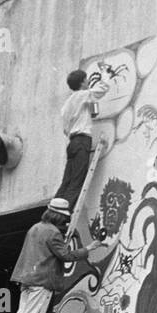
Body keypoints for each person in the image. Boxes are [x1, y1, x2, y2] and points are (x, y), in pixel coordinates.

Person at [0, 199, 97, 313]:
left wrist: (66, 233)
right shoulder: (53, 233)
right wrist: (88, 249)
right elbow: (65, 255)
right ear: (58, 216)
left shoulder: (35, 228)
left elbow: (46, 244)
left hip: (26, 278)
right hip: (42, 280)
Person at [56, 68, 100, 208]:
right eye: (86, 79)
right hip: (82, 141)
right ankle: (65, 212)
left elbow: (93, 113)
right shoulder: (84, 94)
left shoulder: (67, 104)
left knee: (67, 180)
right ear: (82, 83)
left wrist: (91, 106)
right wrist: (105, 75)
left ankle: (54, 210)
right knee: (77, 181)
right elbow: (102, 89)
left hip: (72, 143)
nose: (88, 81)